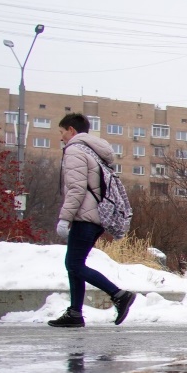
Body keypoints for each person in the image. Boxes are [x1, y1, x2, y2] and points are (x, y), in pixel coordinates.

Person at [48, 114, 135, 328]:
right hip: (97, 216)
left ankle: (119, 295)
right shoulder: (93, 152)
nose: (61, 138)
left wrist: (64, 218)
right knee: (75, 265)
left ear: (71, 130)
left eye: (62, 133)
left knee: (74, 264)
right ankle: (75, 313)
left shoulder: (75, 150)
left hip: (85, 217)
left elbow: (77, 188)